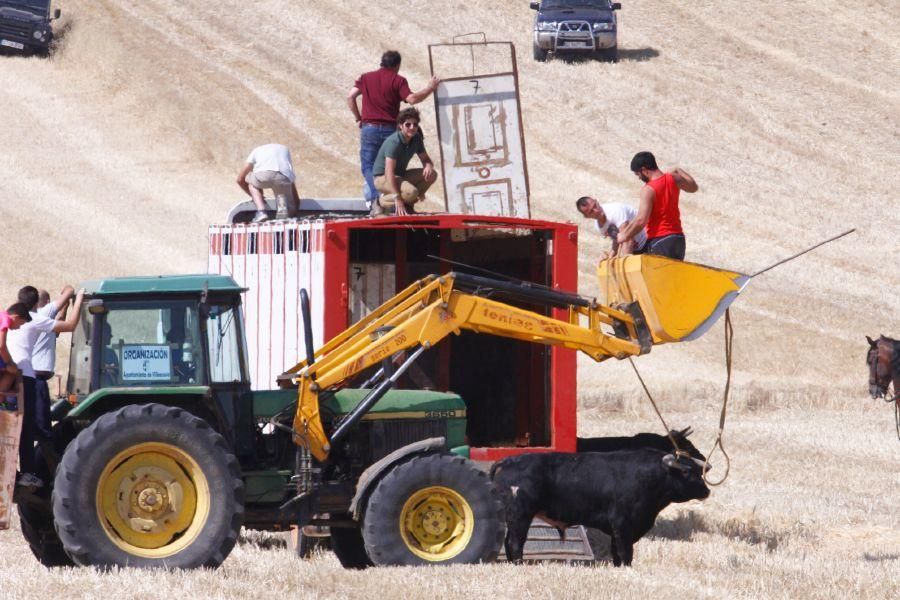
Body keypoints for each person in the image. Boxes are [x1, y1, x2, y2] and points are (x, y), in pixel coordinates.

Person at [9, 285, 84, 487]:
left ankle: (12, 471)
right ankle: (32, 473)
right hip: (28, 378)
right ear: (36, 305)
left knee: (11, 424)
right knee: (32, 427)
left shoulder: (9, 317)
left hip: (9, 377)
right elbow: (69, 326)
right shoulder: (35, 317)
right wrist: (78, 299)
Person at [348, 50, 440, 211]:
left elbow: (351, 97)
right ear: (397, 65)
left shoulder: (365, 78)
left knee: (370, 168)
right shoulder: (398, 80)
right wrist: (430, 88)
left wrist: (358, 118)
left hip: (369, 128)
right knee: (392, 166)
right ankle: (389, 199)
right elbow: (411, 99)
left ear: (381, 63)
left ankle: (376, 201)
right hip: (391, 130)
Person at [616, 151, 698, 261]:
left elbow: (641, 220)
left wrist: (624, 235)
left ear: (644, 170)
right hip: (678, 239)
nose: (639, 178)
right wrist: (678, 170)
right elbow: (693, 187)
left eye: (638, 174)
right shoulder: (673, 178)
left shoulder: (648, 190)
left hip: (660, 239)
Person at [371, 107, 439, 216]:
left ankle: (408, 204)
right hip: (382, 178)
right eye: (408, 124)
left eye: (415, 124)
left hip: (399, 176)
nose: (412, 127)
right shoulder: (394, 142)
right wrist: (397, 198)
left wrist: (428, 166)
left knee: (432, 174)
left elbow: (426, 160)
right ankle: (379, 202)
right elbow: (389, 173)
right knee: (411, 192)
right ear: (400, 126)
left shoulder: (416, 138)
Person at [236, 144, 300, 223]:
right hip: (283, 177)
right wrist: (295, 205)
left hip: (263, 176)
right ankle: (283, 212)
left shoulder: (256, 151)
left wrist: (257, 196)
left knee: (251, 181)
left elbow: (240, 179)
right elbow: (290, 180)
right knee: (282, 195)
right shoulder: (285, 150)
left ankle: (261, 211)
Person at [576, 196, 647, 259]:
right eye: (591, 211)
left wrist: (621, 264)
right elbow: (616, 239)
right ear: (587, 217)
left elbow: (628, 240)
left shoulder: (614, 211)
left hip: (650, 238)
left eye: (595, 205)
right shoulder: (598, 226)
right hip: (638, 249)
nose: (596, 210)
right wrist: (609, 257)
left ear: (596, 201)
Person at [0, 303, 31, 397]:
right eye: (21, 323)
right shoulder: (6, 320)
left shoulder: (2, 315)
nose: (19, 327)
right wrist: (8, 364)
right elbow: (1, 346)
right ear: (16, 317)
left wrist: (10, 362)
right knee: (12, 372)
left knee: (12, 368)